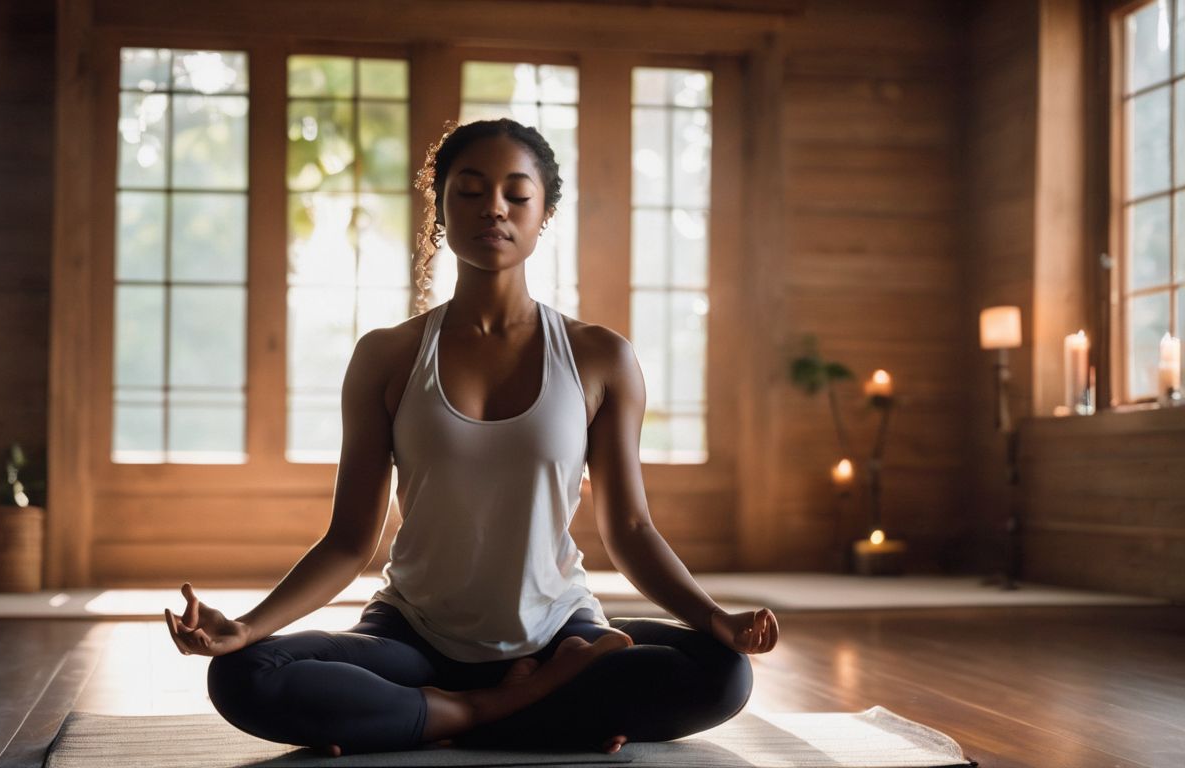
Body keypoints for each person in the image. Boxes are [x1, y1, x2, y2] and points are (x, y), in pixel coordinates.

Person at [163, 118, 779, 757]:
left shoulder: (599, 358)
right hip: (412, 639)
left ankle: (437, 719)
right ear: (441, 206)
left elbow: (631, 530)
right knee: (243, 677)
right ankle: (518, 708)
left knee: (723, 673)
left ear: (543, 214)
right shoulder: (387, 356)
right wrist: (244, 627)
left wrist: (714, 618)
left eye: (517, 193)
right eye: (471, 190)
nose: (494, 208)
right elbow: (349, 541)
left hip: (558, 630)